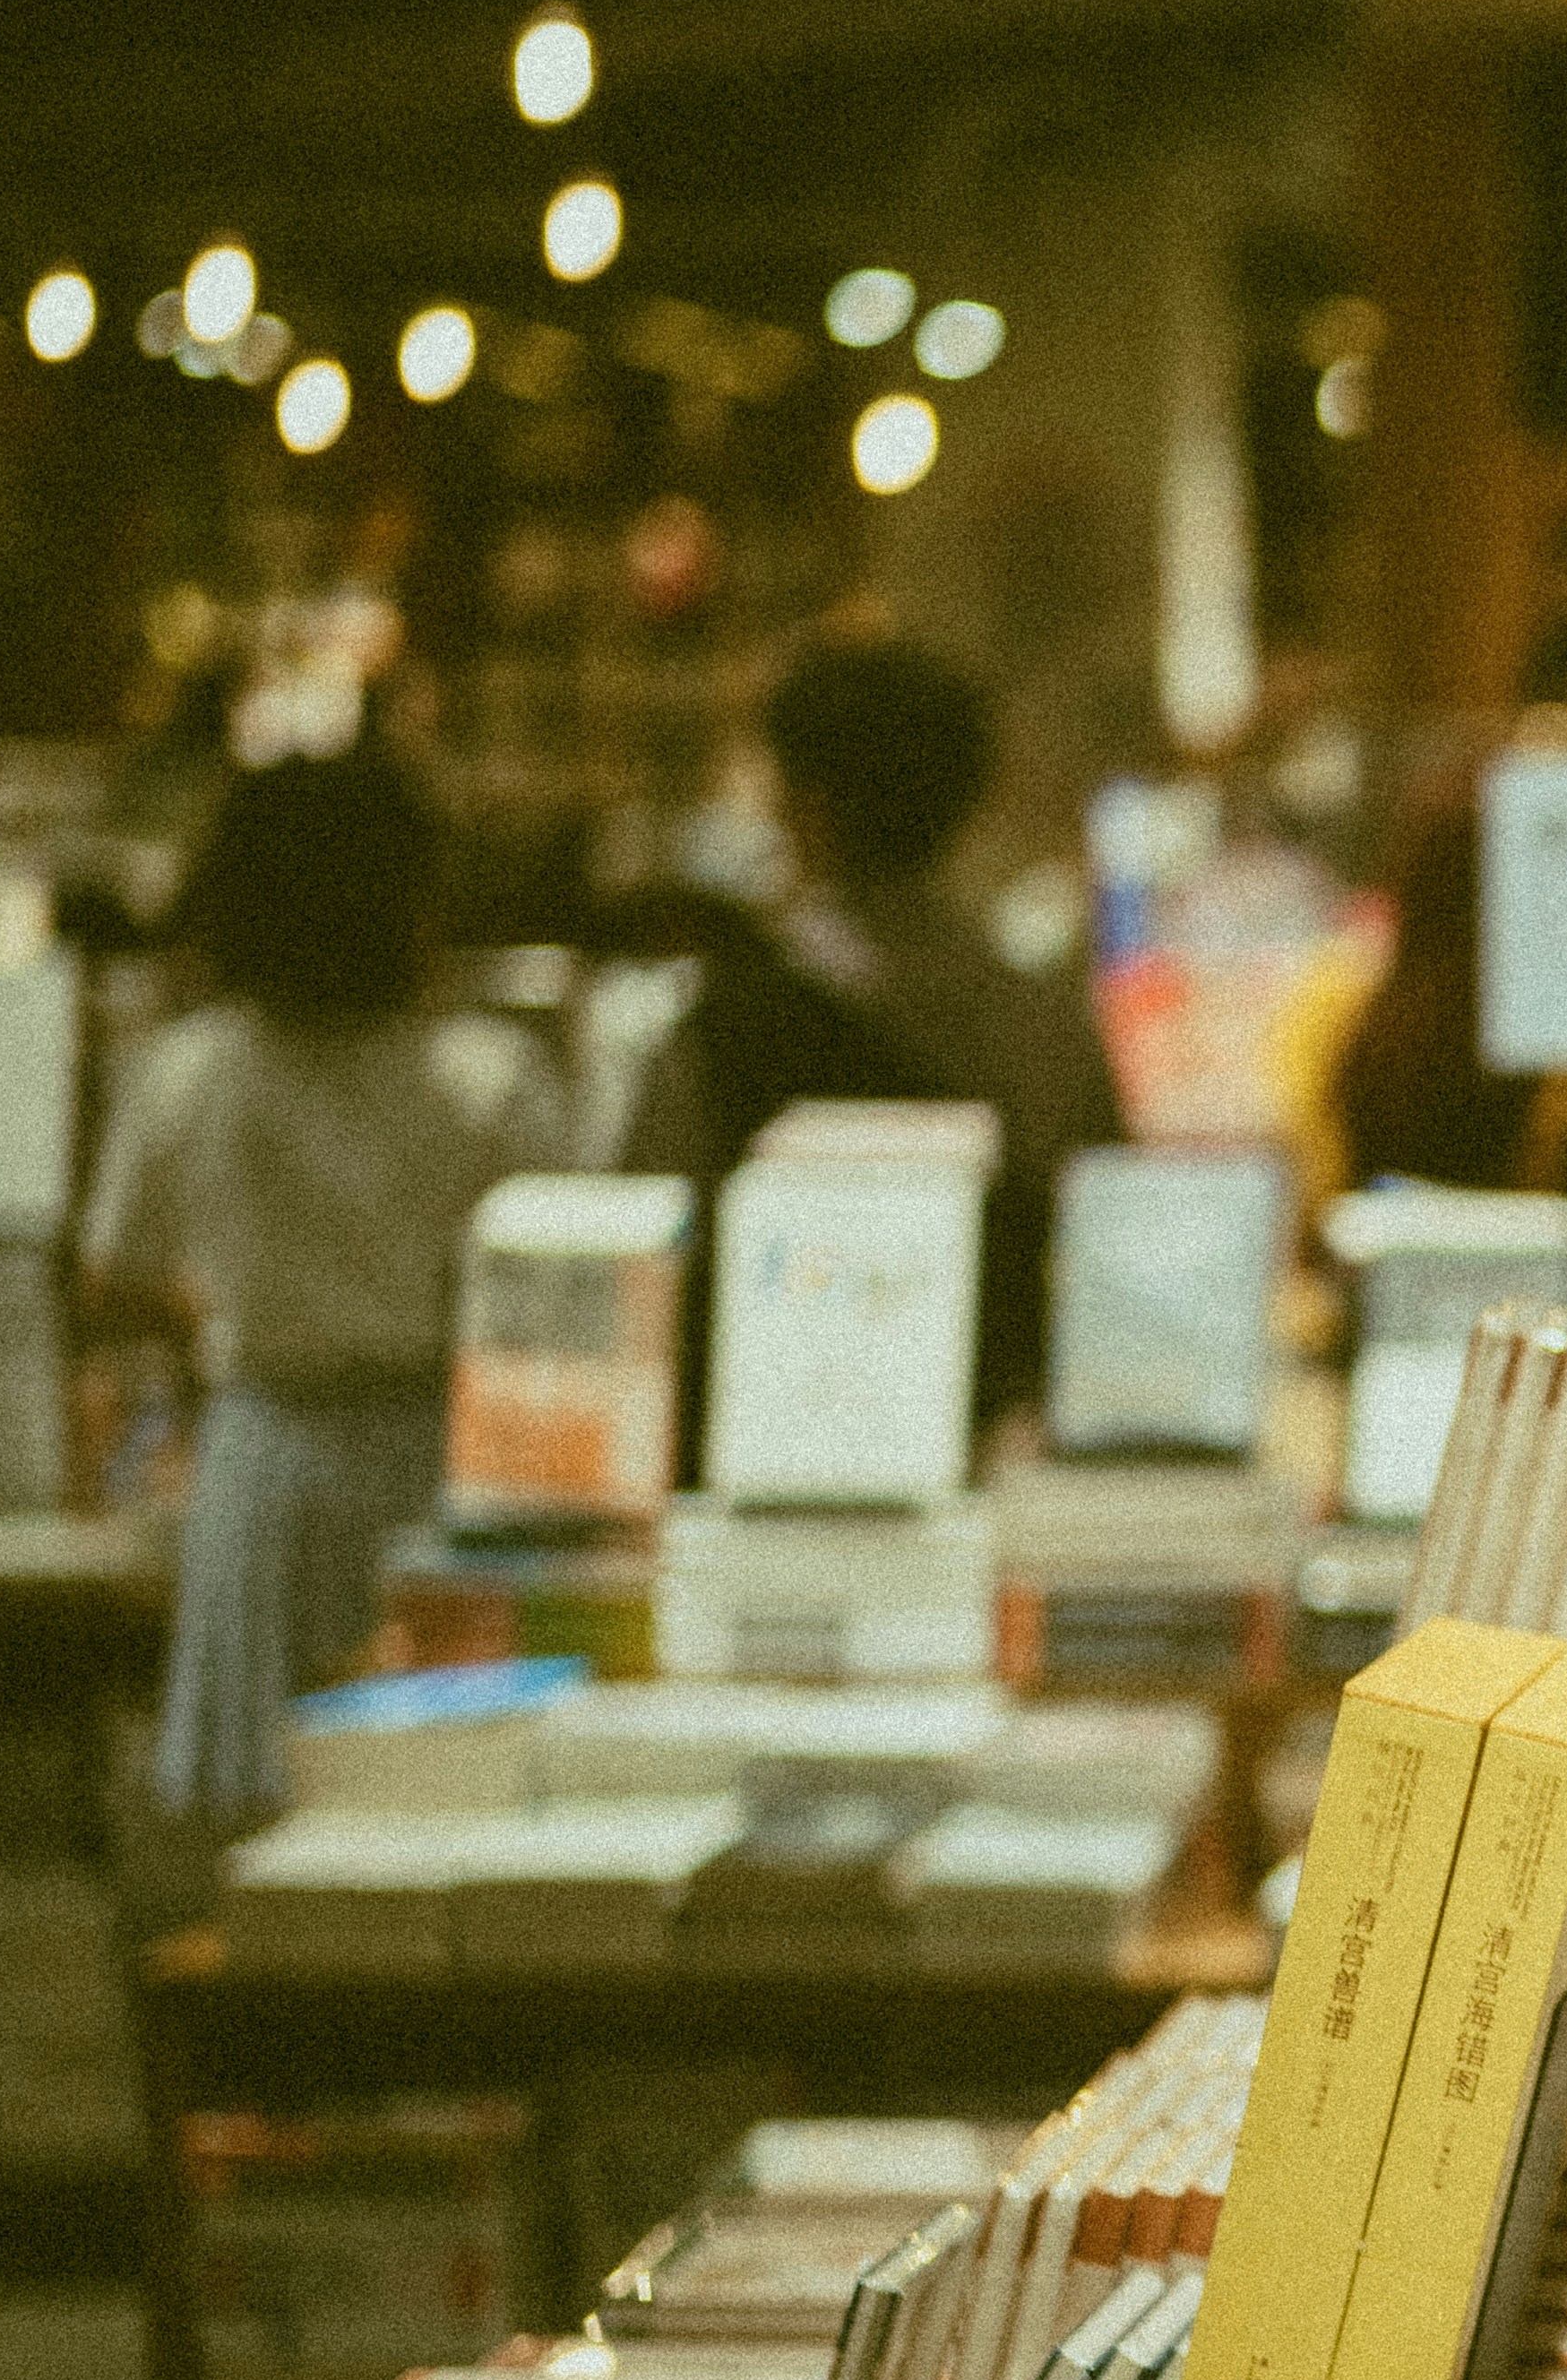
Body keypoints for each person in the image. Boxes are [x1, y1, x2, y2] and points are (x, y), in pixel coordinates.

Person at [86, 750, 565, 1820]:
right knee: (442, 1795)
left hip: (264, 1453)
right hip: (447, 1460)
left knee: (258, 1804)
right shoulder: (489, 1078)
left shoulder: (190, 1070)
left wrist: (210, 1323)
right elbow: (561, 1302)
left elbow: (111, 1278)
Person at [621, 638, 1126, 1438]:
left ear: (806, 807)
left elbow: (644, 1275)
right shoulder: (1044, 1024)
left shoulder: (717, 1029)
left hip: (760, 1458)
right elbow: (1109, 1264)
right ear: (967, 807)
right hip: (985, 1459)